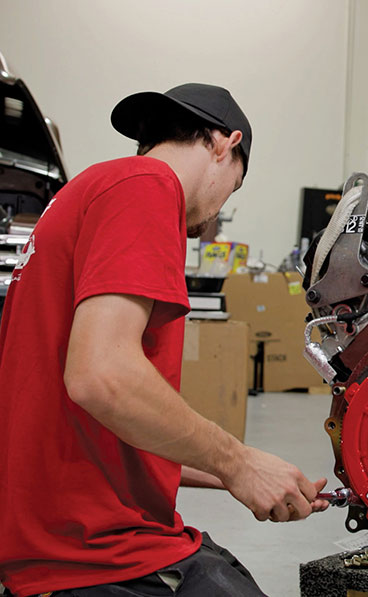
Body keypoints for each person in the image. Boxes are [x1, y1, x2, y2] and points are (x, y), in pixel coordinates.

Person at [0, 83, 328, 597]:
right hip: (92, 552)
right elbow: (101, 377)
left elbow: (90, 418)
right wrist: (237, 463)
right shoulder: (147, 185)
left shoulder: (89, 190)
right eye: (233, 187)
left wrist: (239, 473)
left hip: (50, 534)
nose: (218, 213)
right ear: (225, 144)